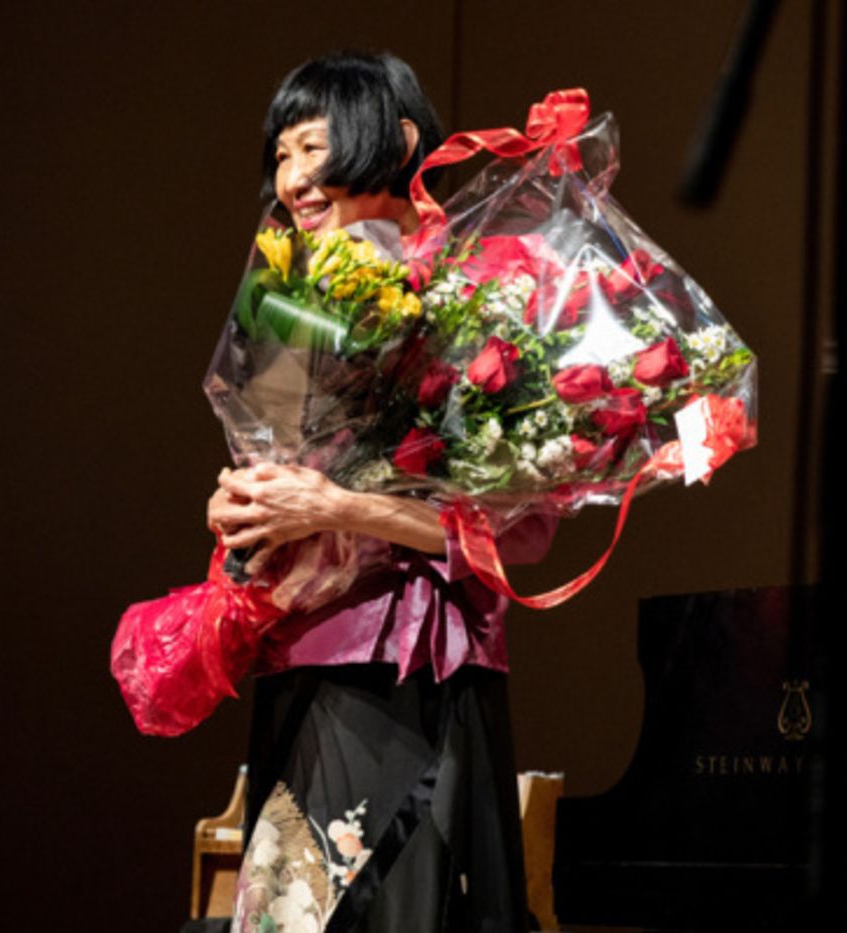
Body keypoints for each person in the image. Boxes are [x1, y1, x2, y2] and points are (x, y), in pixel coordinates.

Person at [205, 51, 556, 933]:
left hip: (412, 675)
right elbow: (278, 464)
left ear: (396, 144)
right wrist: (243, 506)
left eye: (313, 148)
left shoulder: (477, 290)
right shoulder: (295, 300)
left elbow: (519, 533)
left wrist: (335, 508)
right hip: (303, 660)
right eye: (281, 156)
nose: (292, 179)